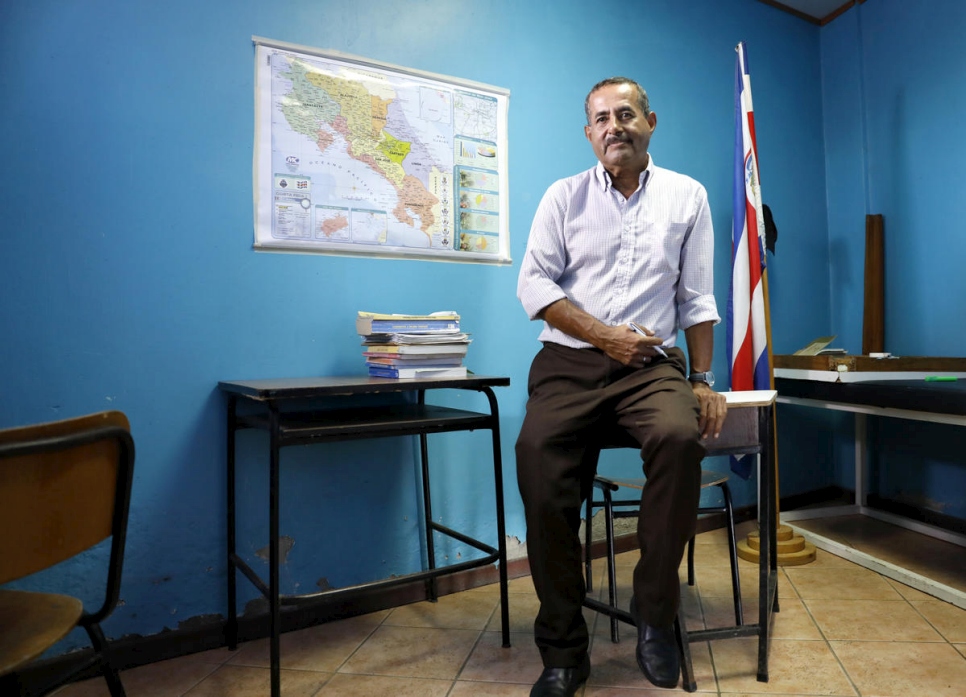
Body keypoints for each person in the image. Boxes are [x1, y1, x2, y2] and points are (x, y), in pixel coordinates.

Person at [515, 77, 728, 696]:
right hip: (568, 363)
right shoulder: (563, 197)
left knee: (678, 436)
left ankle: (655, 618)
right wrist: (602, 335)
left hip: (650, 367)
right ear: (589, 133)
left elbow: (696, 299)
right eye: (602, 118)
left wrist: (705, 380)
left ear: (650, 121)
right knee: (537, 456)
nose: (615, 126)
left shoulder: (687, 196)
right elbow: (536, 287)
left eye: (626, 113)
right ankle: (563, 650)